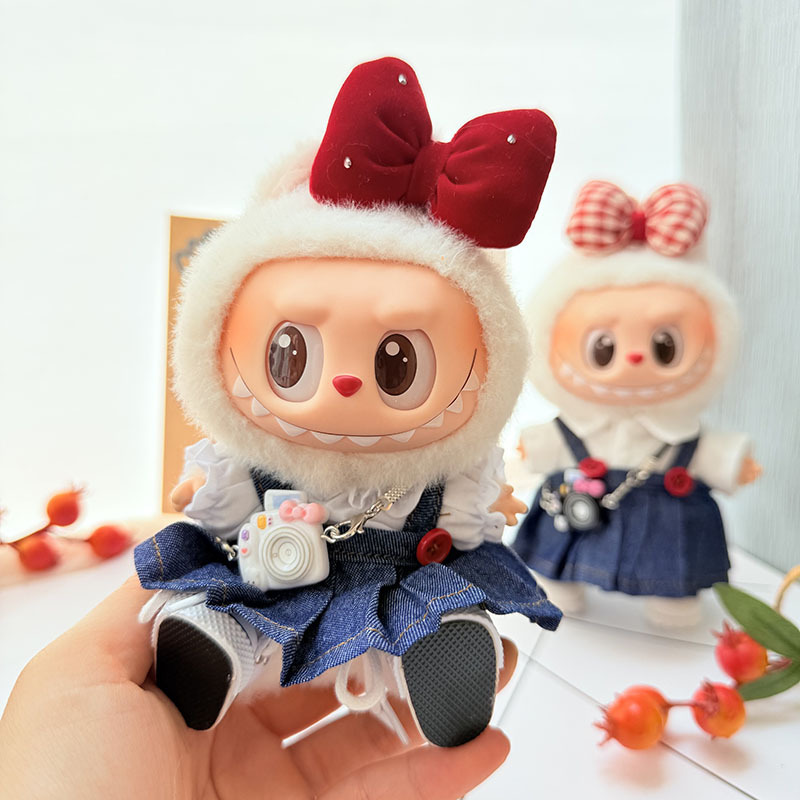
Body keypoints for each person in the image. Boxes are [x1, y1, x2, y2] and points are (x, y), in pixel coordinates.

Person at [0, 577, 518, 799]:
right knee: (241, 586)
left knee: (421, 588)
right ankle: (215, 639)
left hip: (396, 556)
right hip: (277, 554)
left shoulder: (431, 473)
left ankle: (434, 638)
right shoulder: (257, 461)